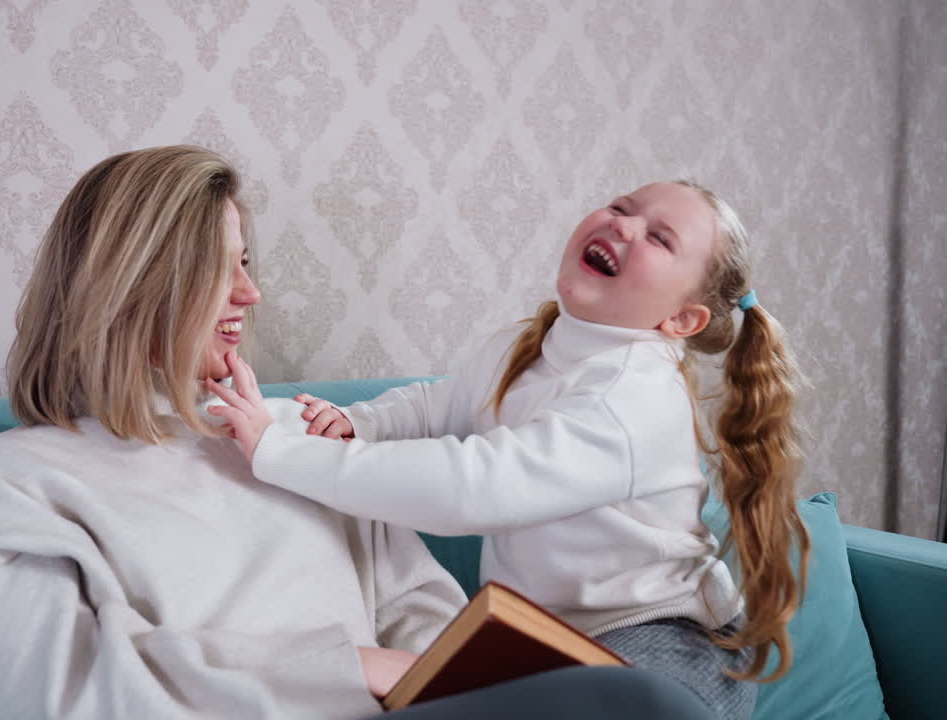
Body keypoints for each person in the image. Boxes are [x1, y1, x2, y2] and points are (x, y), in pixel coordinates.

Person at [0, 147, 716, 720]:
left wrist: (439, 675)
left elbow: (422, 615)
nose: (252, 292)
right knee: (647, 706)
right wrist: (350, 668)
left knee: (639, 701)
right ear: (130, 283)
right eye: (220, 269)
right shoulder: (15, 478)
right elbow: (59, 695)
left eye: (248, 262)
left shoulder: (291, 447)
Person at [209, 180, 808, 720]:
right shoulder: (530, 345)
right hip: (551, 643)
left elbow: (470, 489)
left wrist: (281, 454)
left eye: (659, 237)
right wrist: (357, 423)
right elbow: (436, 407)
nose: (624, 225)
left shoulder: (635, 397)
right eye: (621, 207)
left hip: (667, 644)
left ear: (682, 319)